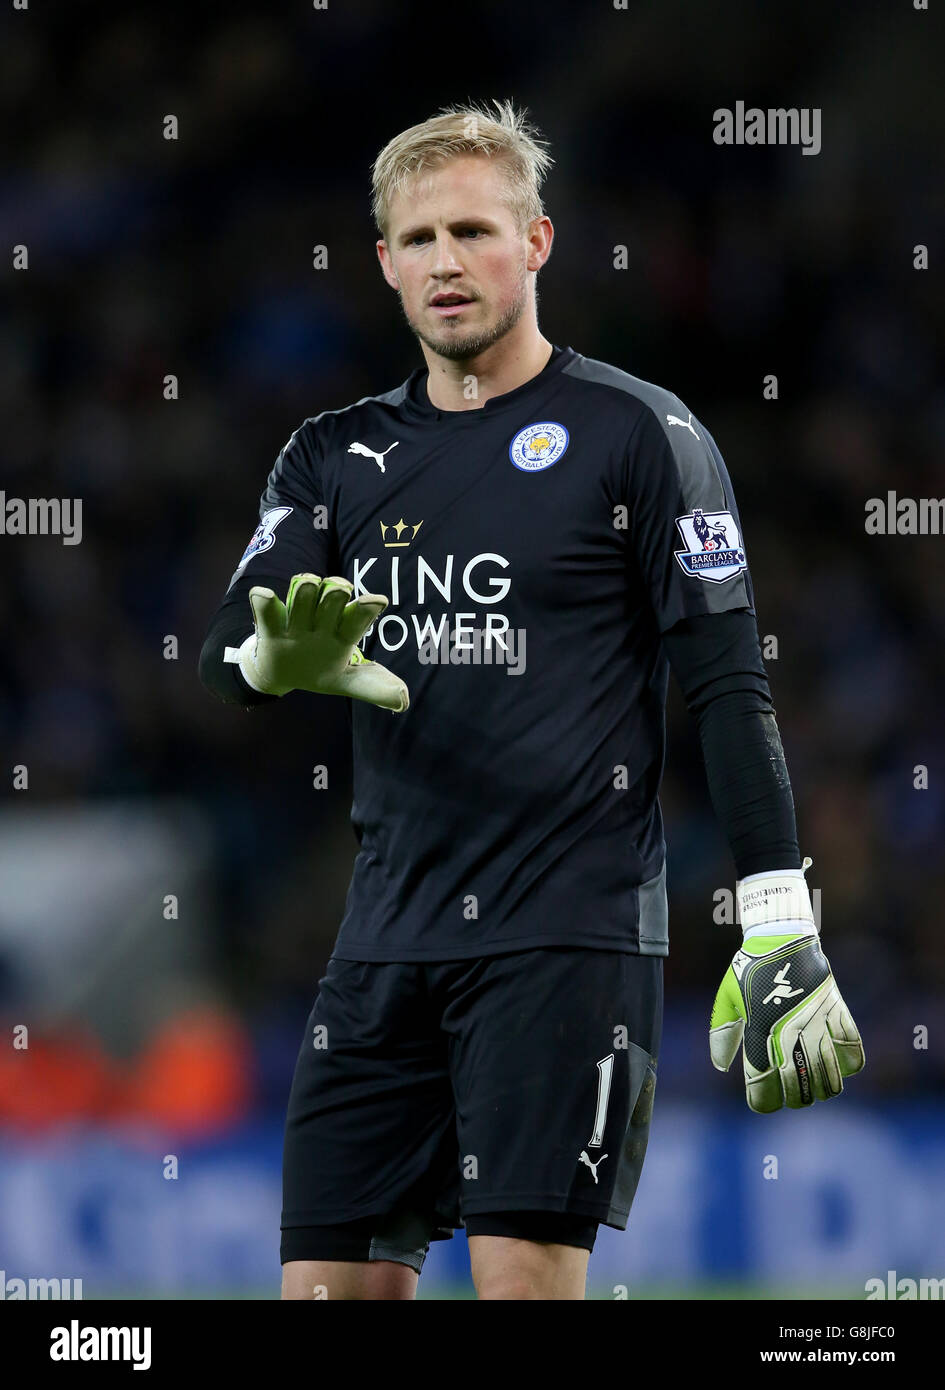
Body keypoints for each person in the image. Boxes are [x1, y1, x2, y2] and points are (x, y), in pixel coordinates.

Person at [199, 100, 864, 1301]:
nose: (447, 262)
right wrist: (267, 665)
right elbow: (222, 655)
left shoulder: (640, 434)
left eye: (473, 230)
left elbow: (725, 679)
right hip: (383, 939)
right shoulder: (329, 456)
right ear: (385, 264)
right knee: (320, 1292)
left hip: (567, 935)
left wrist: (776, 912)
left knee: (520, 1286)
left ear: (538, 243)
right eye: (419, 239)